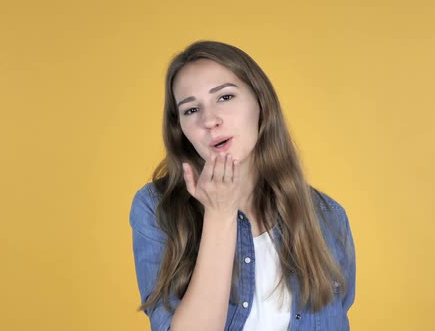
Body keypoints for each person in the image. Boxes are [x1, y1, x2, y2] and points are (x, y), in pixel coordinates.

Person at [129, 40, 356, 331]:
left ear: (260, 102)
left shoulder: (327, 216)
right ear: (181, 130)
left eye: (224, 97)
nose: (210, 120)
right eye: (190, 110)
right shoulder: (156, 208)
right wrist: (220, 214)